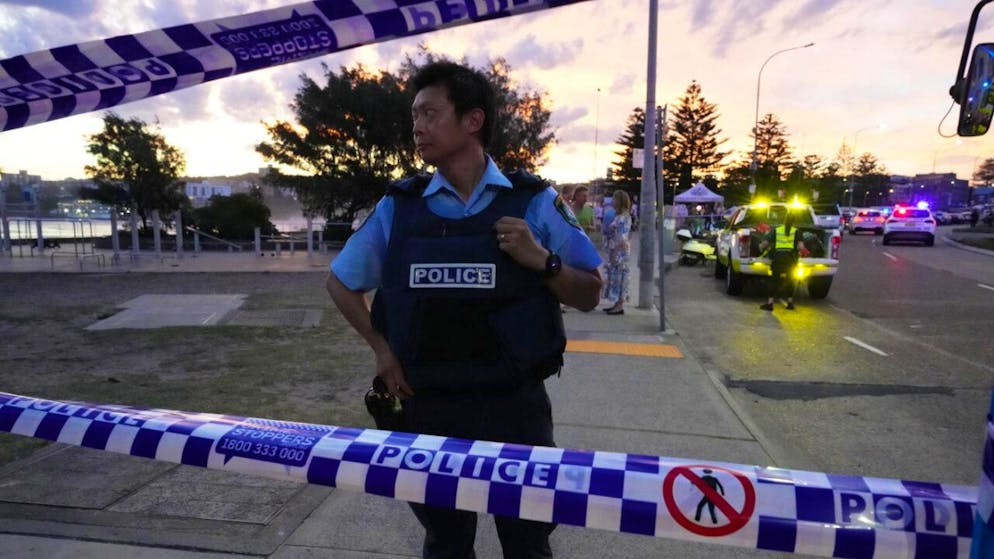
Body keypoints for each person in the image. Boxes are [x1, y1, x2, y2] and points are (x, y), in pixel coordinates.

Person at [325, 61, 603, 559]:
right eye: (414, 116)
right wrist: (381, 349)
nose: (417, 127)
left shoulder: (533, 201)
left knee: (527, 543)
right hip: (429, 403)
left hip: (514, 406)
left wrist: (542, 260)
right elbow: (341, 283)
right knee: (446, 543)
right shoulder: (400, 207)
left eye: (430, 113)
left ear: (472, 121)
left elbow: (590, 292)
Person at [758, 210, 803, 311]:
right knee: (790, 280)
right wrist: (799, 252)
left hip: (778, 259)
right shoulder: (797, 232)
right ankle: (790, 303)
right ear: (793, 221)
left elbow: (765, 243)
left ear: (784, 220)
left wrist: (760, 248)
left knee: (774, 281)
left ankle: (770, 304)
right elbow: (800, 247)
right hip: (791, 260)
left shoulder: (776, 230)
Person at [603, 190, 632, 315]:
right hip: (617, 249)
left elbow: (621, 237)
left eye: (615, 199)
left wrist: (615, 251)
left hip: (619, 251)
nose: (612, 202)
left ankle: (619, 304)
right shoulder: (620, 216)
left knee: (619, 277)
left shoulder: (623, 217)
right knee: (615, 277)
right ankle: (617, 303)